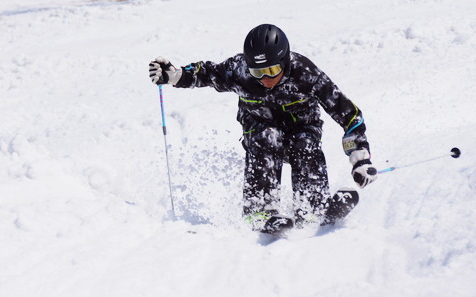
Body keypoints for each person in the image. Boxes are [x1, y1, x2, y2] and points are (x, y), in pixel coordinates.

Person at [148, 24, 377, 231]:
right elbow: (208, 73)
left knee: (304, 144)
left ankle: (312, 207)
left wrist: (360, 159)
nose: (265, 79)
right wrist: (175, 76)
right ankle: (259, 210)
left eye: (271, 71)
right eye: (258, 72)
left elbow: (349, 114)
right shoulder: (239, 70)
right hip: (260, 130)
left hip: (302, 128)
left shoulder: (305, 73)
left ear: (285, 61)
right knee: (267, 137)